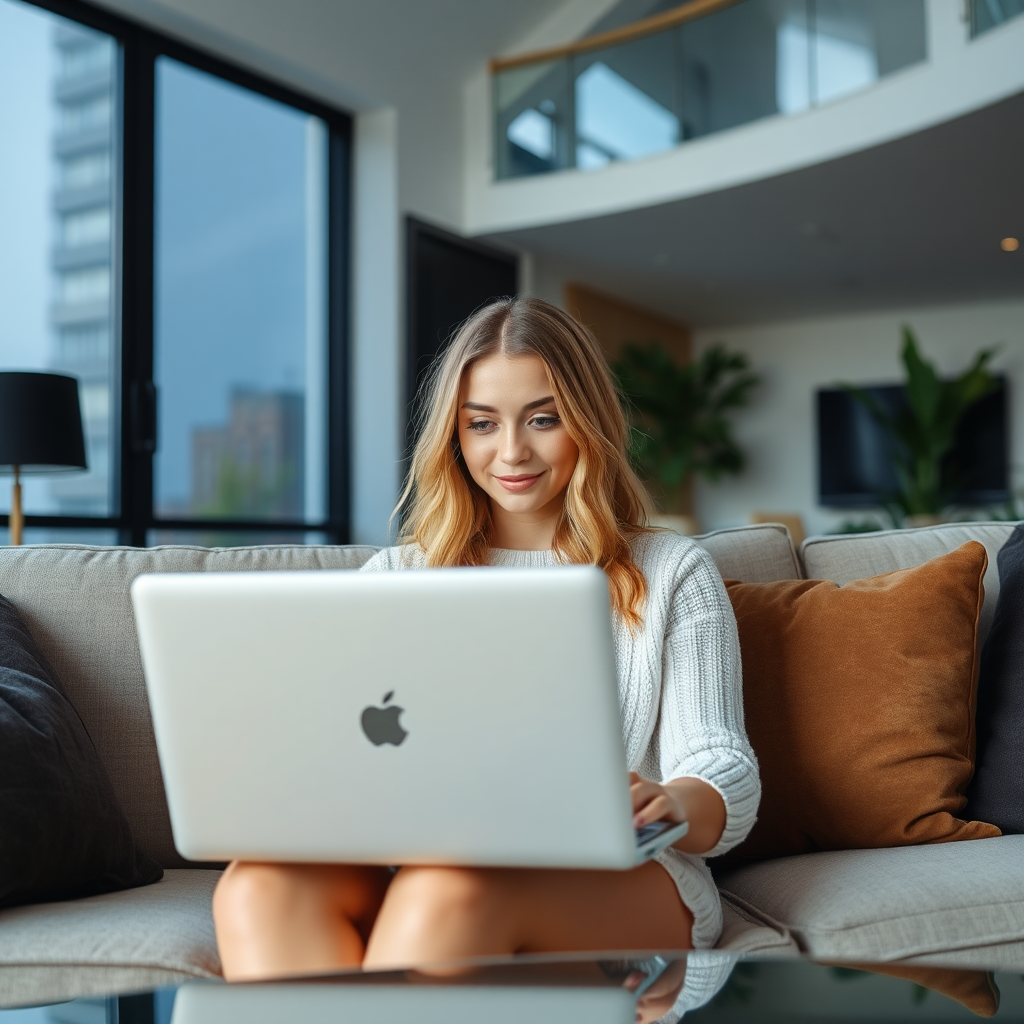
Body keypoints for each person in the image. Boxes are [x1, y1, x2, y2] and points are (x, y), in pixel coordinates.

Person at [212, 297, 759, 1018]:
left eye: (543, 417)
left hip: (628, 878)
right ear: (453, 435)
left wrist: (672, 801)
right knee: (258, 885)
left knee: (445, 892)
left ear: (587, 420)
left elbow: (722, 763)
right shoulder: (393, 581)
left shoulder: (670, 572)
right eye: (481, 423)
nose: (511, 453)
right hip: (423, 873)